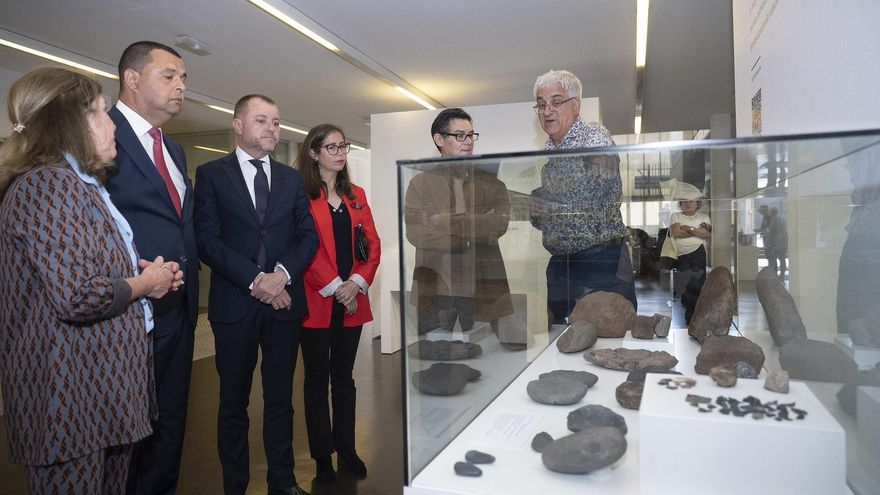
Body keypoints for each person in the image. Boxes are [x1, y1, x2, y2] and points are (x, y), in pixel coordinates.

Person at [0, 67, 182, 494]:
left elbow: (82, 270)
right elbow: (79, 295)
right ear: (71, 123)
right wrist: (144, 284)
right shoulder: (49, 186)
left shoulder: (80, 185)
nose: (112, 122)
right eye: (101, 111)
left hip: (98, 398)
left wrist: (141, 274)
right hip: (70, 399)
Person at [194, 94, 318, 495]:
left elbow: (307, 237)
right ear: (238, 125)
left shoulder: (291, 178)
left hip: (283, 306)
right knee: (233, 403)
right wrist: (257, 281)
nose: (272, 129)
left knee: (281, 399)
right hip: (235, 306)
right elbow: (207, 240)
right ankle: (235, 485)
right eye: (262, 120)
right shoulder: (211, 174)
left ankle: (282, 480)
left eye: (277, 122)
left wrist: (280, 275)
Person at [104, 40, 200, 495]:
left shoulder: (175, 150)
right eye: (169, 76)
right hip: (129, 314)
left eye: (183, 79)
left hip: (177, 311)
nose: (181, 86)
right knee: (128, 431)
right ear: (132, 78)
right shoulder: (101, 135)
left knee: (171, 423)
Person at [294, 124, 381, 485]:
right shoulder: (301, 196)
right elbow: (304, 248)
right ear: (314, 154)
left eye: (342, 146)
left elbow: (372, 245)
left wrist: (356, 283)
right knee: (316, 381)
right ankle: (322, 456)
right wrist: (334, 286)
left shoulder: (356, 195)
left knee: (344, 379)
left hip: (351, 301)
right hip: (317, 300)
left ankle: (347, 448)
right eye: (331, 147)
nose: (340, 152)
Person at [528, 70, 636, 324]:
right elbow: (560, 209)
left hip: (599, 261)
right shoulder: (549, 153)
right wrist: (537, 207)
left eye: (556, 102)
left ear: (575, 105)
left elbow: (594, 193)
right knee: (552, 340)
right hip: (562, 264)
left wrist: (550, 201)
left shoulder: (593, 136)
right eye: (541, 105)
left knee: (607, 338)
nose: (547, 111)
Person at [404, 108, 514, 339]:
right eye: (460, 135)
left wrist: (443, 221)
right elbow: (417, 232)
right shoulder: (420, 183)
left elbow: (499, 224)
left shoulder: (490, 183)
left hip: (480, 282)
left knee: (485, 355)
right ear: (439, 139)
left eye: (471, 135)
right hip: (436, 282)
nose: (468, 142)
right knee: (432, 356)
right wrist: (466, 237)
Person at [669, 189, 711, 324]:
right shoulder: (676, 216)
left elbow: (707, 234)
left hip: (699, 253)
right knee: (686, 284)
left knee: (698, 284)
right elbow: (676, 233)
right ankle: (690, 311)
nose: (688, 204)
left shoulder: (704, 217)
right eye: (684, 202)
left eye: (691, 201)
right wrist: (696, 232)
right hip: (683, 254)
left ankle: (693, 316)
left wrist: (688, 228)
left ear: (696, 203)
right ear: (680, 204)